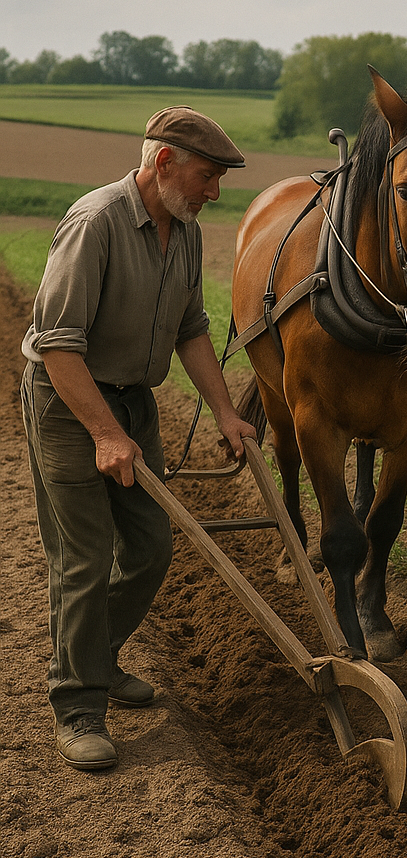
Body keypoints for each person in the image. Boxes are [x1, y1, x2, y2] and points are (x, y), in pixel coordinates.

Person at [21, 106, 258, 771]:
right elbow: (58, 344)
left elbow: (190, 328)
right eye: (208, 176)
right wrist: (102, 431)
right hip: (71, 403)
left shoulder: (183, 232)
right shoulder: (96, 222)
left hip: (134, 405)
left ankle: (94, 657)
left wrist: (224, 413)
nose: (216, 192)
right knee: (84, 558)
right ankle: (77, 706)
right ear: (163, 164)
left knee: (151, 550)